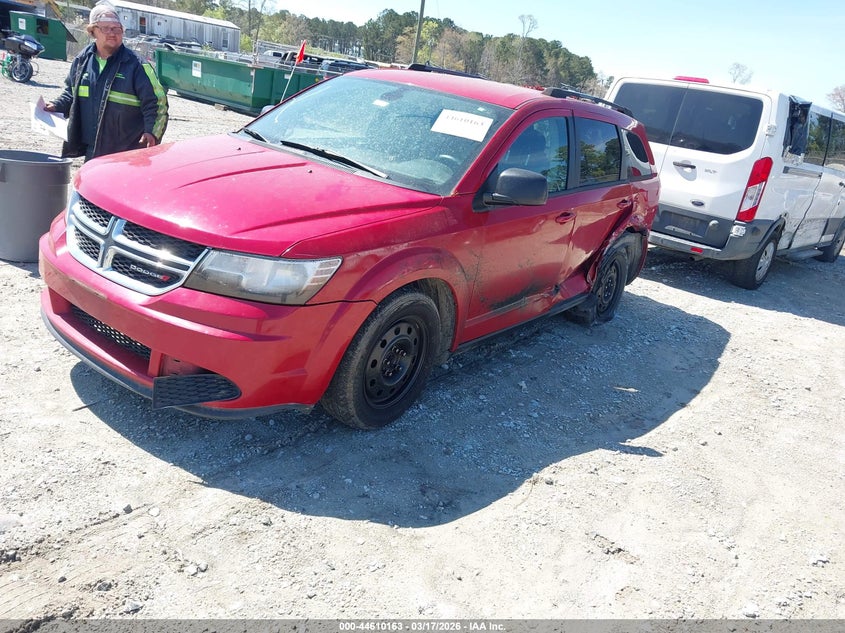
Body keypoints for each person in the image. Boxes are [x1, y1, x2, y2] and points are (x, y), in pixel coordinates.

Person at [44, 2, 168, 161]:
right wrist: (56, 106)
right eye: (106, 28)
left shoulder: (137, 66)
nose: (112, 33)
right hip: (93, 151)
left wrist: (151, 132)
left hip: (127, 155)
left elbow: (157, 104)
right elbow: (71, 93)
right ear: (92, 31)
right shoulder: (82, 61)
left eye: (117, 29)